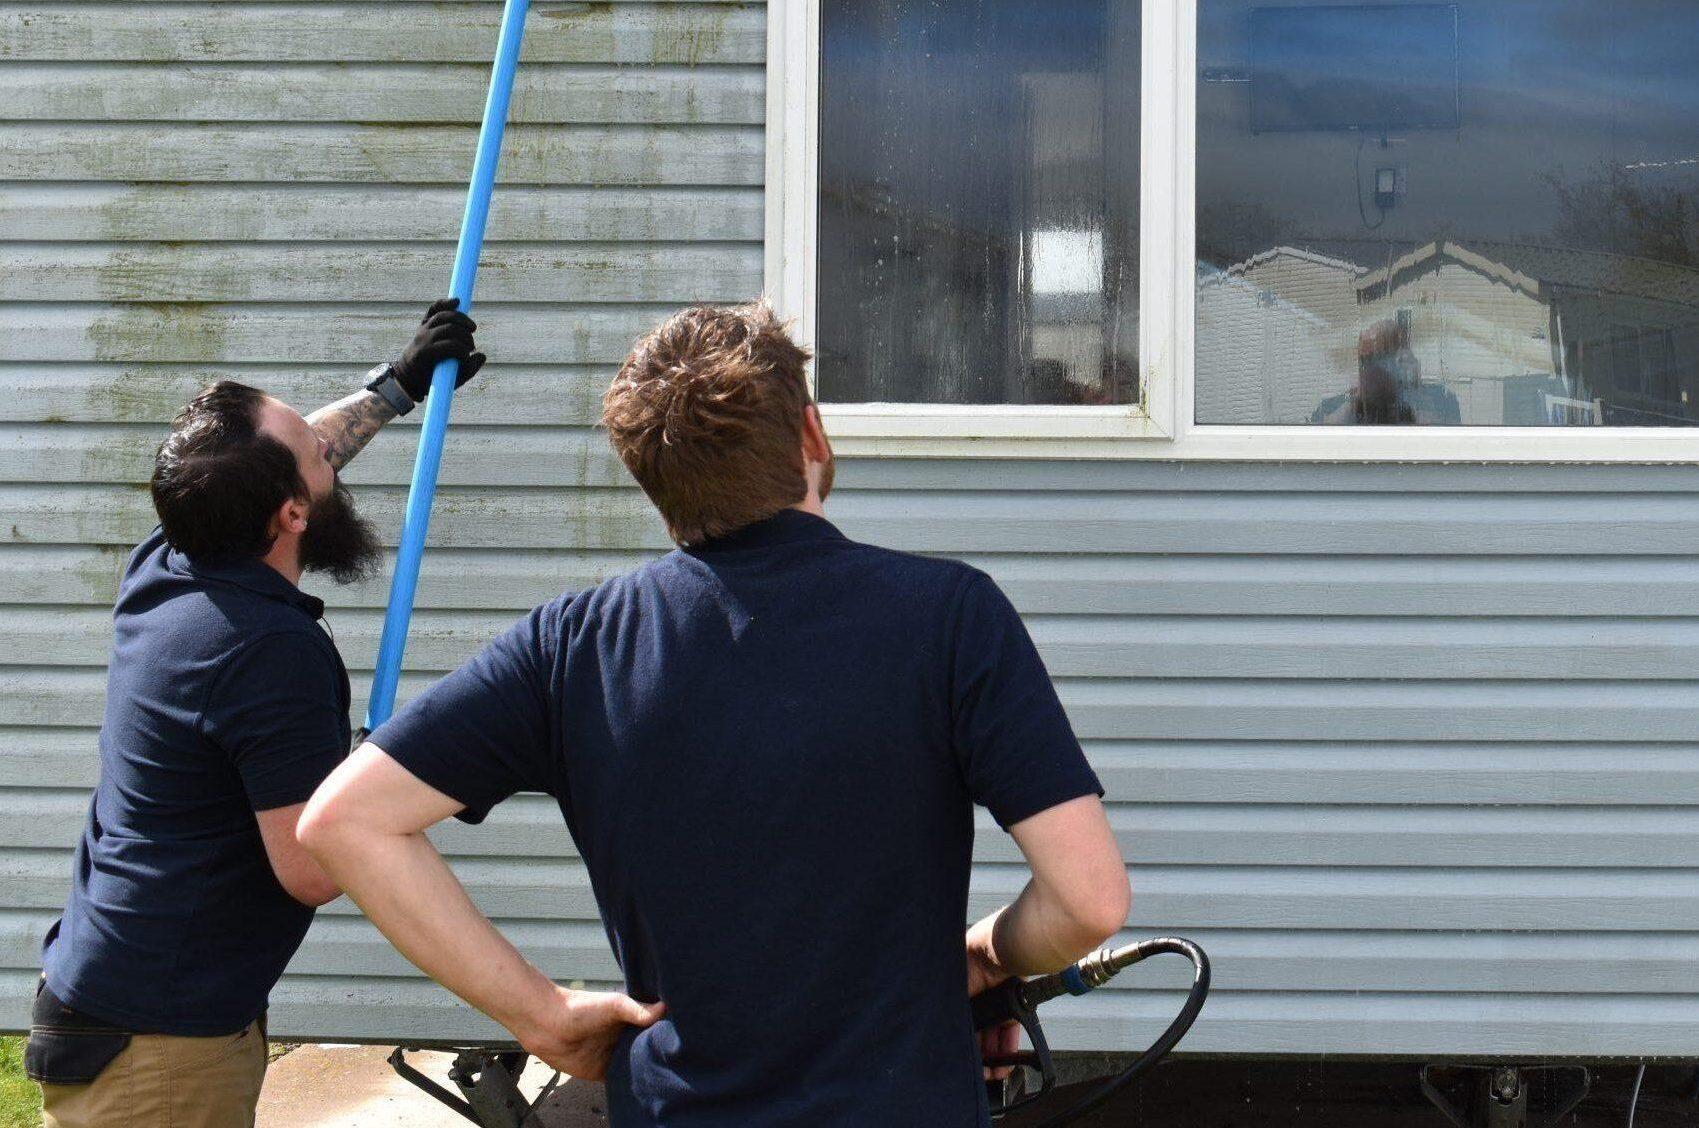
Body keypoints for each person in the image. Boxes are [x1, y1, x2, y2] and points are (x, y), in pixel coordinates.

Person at [299, 302, 1131, 1127]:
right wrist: (986, 957)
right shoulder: (949, 616)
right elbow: (1087, 901)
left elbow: (346, 822)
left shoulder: (574, 644)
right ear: (809, 435)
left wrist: (541, 1016)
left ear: (647, 473)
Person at [25, 300, 485, 1128]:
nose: (328, 449)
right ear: (291, 516)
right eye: (317, 456)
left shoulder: (171, 561)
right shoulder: (265, 652)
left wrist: (395, 387)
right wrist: (410, 765)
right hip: (160, 1049)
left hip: (123, 997)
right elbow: (312, 865)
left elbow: (273, 459)